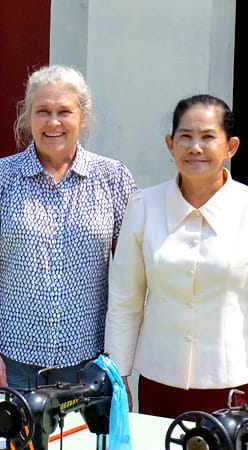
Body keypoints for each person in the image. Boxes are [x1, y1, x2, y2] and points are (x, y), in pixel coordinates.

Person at [0, 65, 136, 389]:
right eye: (42, 111)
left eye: (64, 112)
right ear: (28, 116)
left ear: (83, 118)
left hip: (91, 364)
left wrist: (121, 362)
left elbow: (130, 279)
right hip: (13, 364)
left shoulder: (114, 179)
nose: (53, 122)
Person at [105, 94, 246, 417]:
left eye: (208, 137)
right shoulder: (143, 206)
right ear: (170, 144)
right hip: (159, 381)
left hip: (234, 384)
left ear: (231, 147)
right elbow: (126, 299)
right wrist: (117, 375)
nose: (195, 148)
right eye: (185, 137)